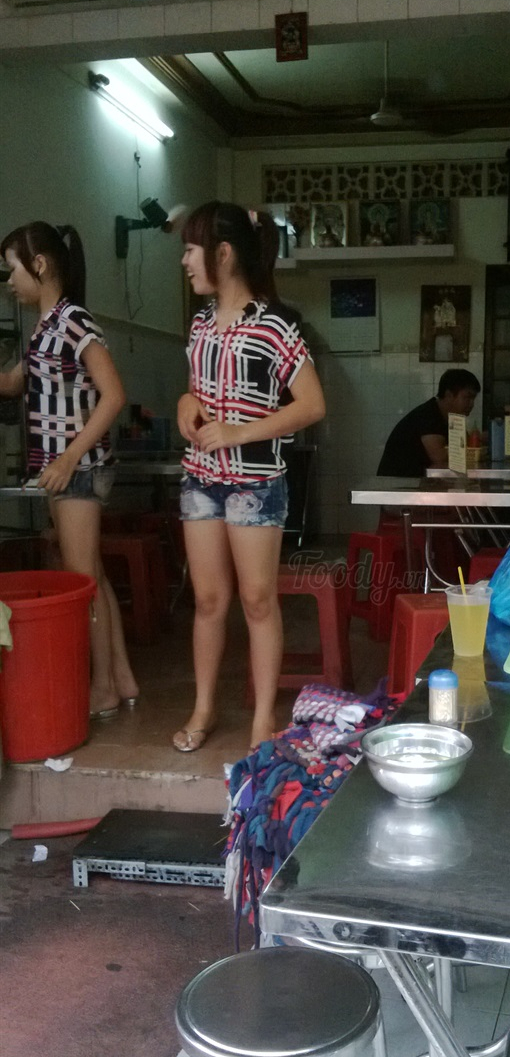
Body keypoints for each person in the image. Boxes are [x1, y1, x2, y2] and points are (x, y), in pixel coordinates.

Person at [176, 200, 325, 755]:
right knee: (208, 601)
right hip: (200, 479)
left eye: (191, 249)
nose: (185, 261)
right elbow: (196, 390)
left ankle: (263, 716)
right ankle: (204, 707)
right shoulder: (199, 325)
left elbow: (311, 404)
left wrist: (240, 432)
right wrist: (185, 404)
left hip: (256, 483)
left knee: (258, 601)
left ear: (223, 254)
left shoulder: (275, 325)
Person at [0, 221, 138, 717]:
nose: (9, 281)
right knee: (91, 575)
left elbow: (114, 395)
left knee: (81, 583)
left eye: (12, 269)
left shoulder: (72, 320)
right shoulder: (44, 327)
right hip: (67, 469)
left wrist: (68, 457)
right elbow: (13, 383)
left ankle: (102, 688)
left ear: (39, 265)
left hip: (77, 469)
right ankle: (121, 678)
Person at [377, 368, 481, 477]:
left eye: (473, 399)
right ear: (449, 395)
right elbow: (438, 456)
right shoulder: (428, 415)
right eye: (467, 397)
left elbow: (466, 444)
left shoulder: (451, 418)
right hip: (396, 483)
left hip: (415, 481)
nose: (471, 404)